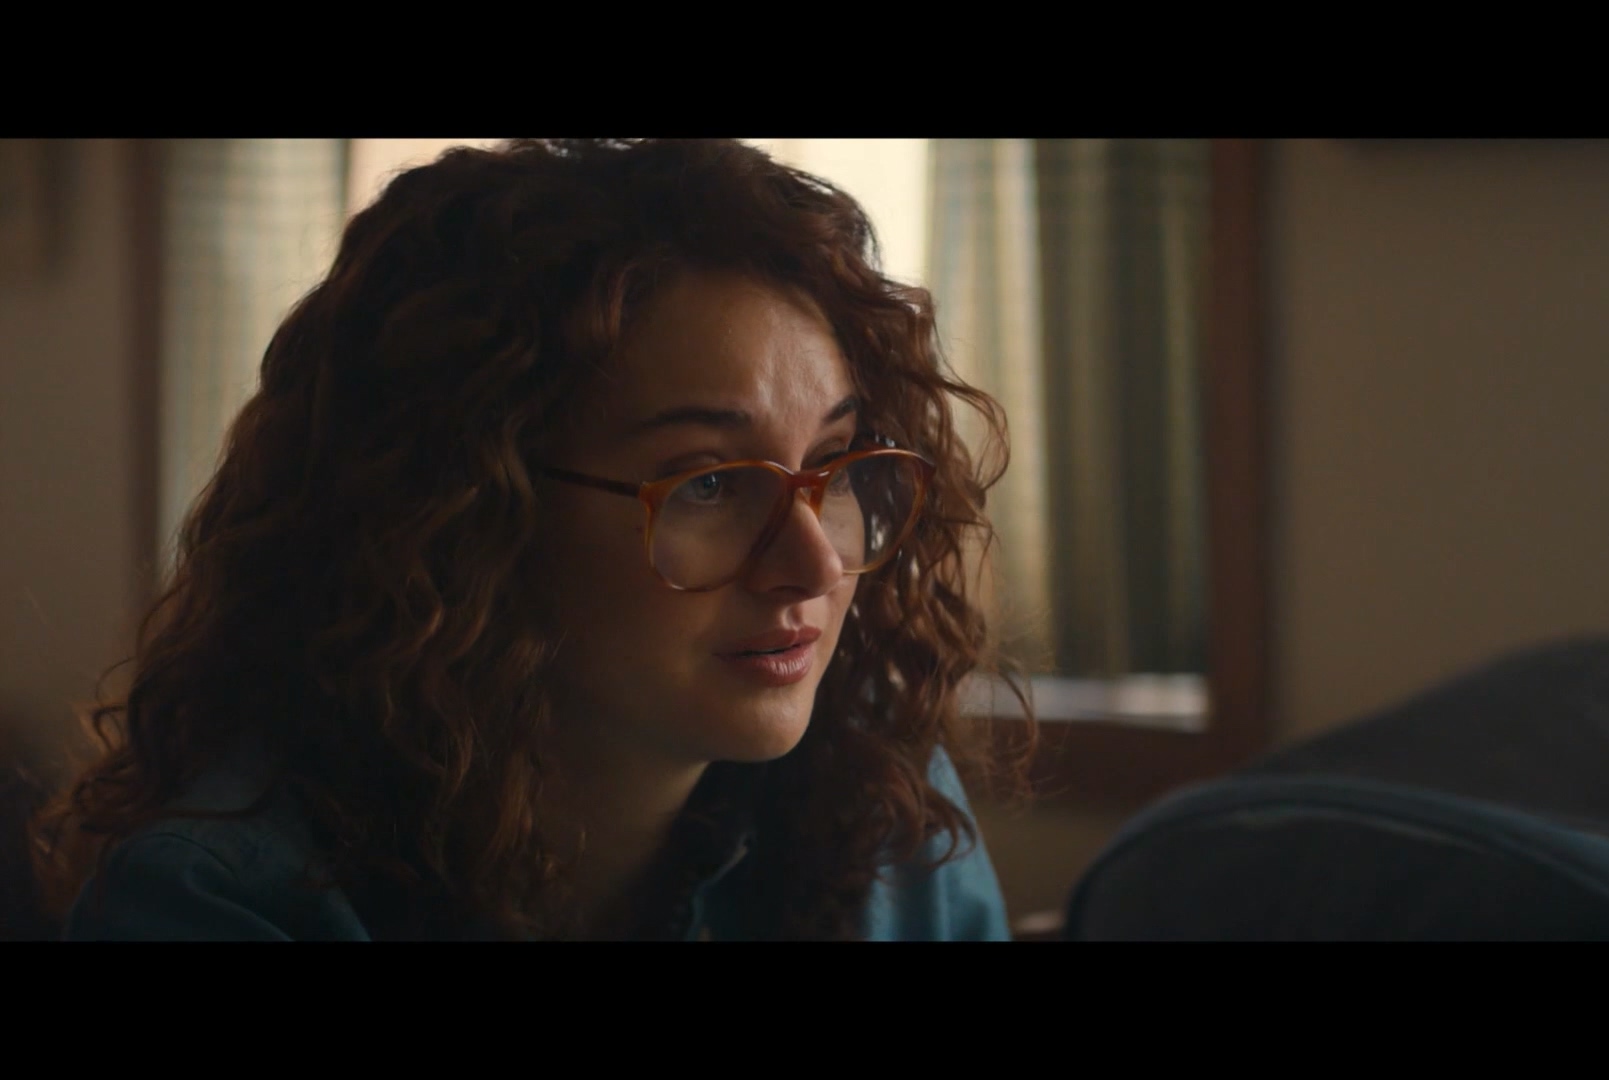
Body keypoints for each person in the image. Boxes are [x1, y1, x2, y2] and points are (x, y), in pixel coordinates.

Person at [31, 138, 1034, 941]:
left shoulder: (878, 801)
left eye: (836, 465)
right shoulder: (221, 900)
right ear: (463, 518)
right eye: (711, 484)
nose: (815, 564)